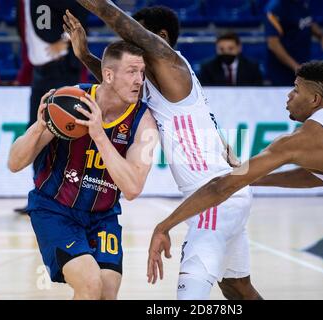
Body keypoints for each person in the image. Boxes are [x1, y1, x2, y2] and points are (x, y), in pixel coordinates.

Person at [148, 61, 323, 300]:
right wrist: (252, 179)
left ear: (315, 98)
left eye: (296, 89)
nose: (289, 96)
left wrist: (164, 225)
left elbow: (221, 186)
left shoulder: (301, 140)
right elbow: (319, 177)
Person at [69, 1, 262, 300]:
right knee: (238, 288)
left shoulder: (172, 64)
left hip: (213, 197)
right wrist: (85, 56)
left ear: (159, 37)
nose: (129, 44)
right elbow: (118, 81)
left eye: (137, 37)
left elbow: (116, 18)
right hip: (228, 194)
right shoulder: (153, 80)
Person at [8, 40, 159, 300]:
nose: (139, 80)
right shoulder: (71, 101)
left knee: (107, 292)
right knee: (90, 284)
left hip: (102, 217)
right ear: (108, 75)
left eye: (142, 72)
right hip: (55, 210)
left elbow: (133, 189)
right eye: (132, 71)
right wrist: (40, 126)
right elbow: (14, 163)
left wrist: (99, 135)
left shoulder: (144, 123)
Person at [15, 0, 88, 214]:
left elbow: (79, 16)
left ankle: (68, 197)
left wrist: (65, 40)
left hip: (60, 69)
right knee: (35, 131)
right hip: (40, 71)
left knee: (63, 132)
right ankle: (42, 194)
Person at [264, 0, 323, 86]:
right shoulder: (275, 8)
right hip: (282, 72)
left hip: (303, 63)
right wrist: (296, 67)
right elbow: (273, 44)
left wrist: (321, 36)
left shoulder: (302, 2)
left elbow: (308, 21)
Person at [198, 32, 263, 86]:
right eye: (221, 49)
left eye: (230, 49)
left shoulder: (252, 67)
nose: (226, 52)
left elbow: (258, 92)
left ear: (239, 48)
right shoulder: (207, 68)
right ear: (216, 49)